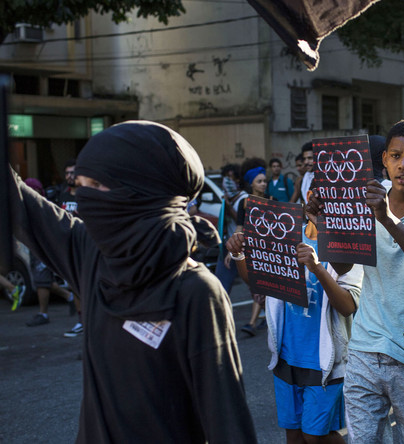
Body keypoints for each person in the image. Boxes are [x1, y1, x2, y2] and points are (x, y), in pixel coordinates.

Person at [7, 121, 257, 442]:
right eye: (80, 185)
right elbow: (17, 203)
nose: (84, 198)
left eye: (97, 185)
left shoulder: (196, 292)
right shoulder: (90, 253)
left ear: (141, 190)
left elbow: (228, 424)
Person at [307, 119, 404, 443]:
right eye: (396, 156)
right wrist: (325, 222)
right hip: (365, 348)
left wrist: (387, 219)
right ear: (384, 160)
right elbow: (343, 265)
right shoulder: (367, 202)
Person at [226, 190, 363, 444]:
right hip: (286, 355)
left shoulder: (347, 245)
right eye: (322, 194)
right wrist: (239, 254)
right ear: (310, 194)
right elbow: (258, 281)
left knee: (315, 436)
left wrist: (317, 267)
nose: (328, 203)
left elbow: (347, 306)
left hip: (325, 361)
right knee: (294, 435)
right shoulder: (286, 234)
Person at [22, 177, 78, 331]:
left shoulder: (43, 205)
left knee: (42, 280)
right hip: (37, 246)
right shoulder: (28, 204)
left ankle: (43, 314)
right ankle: (69, 297)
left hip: (45, 245)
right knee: (42, 280)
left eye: (34, 189)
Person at [235, 158, 268, 337]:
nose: (263, 184)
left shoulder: (272, 201)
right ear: (251, 184)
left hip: (269, 249)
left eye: (264, 181)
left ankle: (252, 322)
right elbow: (239, 228)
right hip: (252, 249)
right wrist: (233, 250)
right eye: (259, 181)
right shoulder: (245, 203)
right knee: (259, 286)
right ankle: (267, 317)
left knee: (261, 285)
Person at [214, 162, 248, 294]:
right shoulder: (229, 199)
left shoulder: (244, 199)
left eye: (230, 178)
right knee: (221, 283)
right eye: (225, 177)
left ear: (238, 180)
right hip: (229, 244)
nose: (227, 181)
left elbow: (241, 222)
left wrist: (228, 207)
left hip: (240, 246)